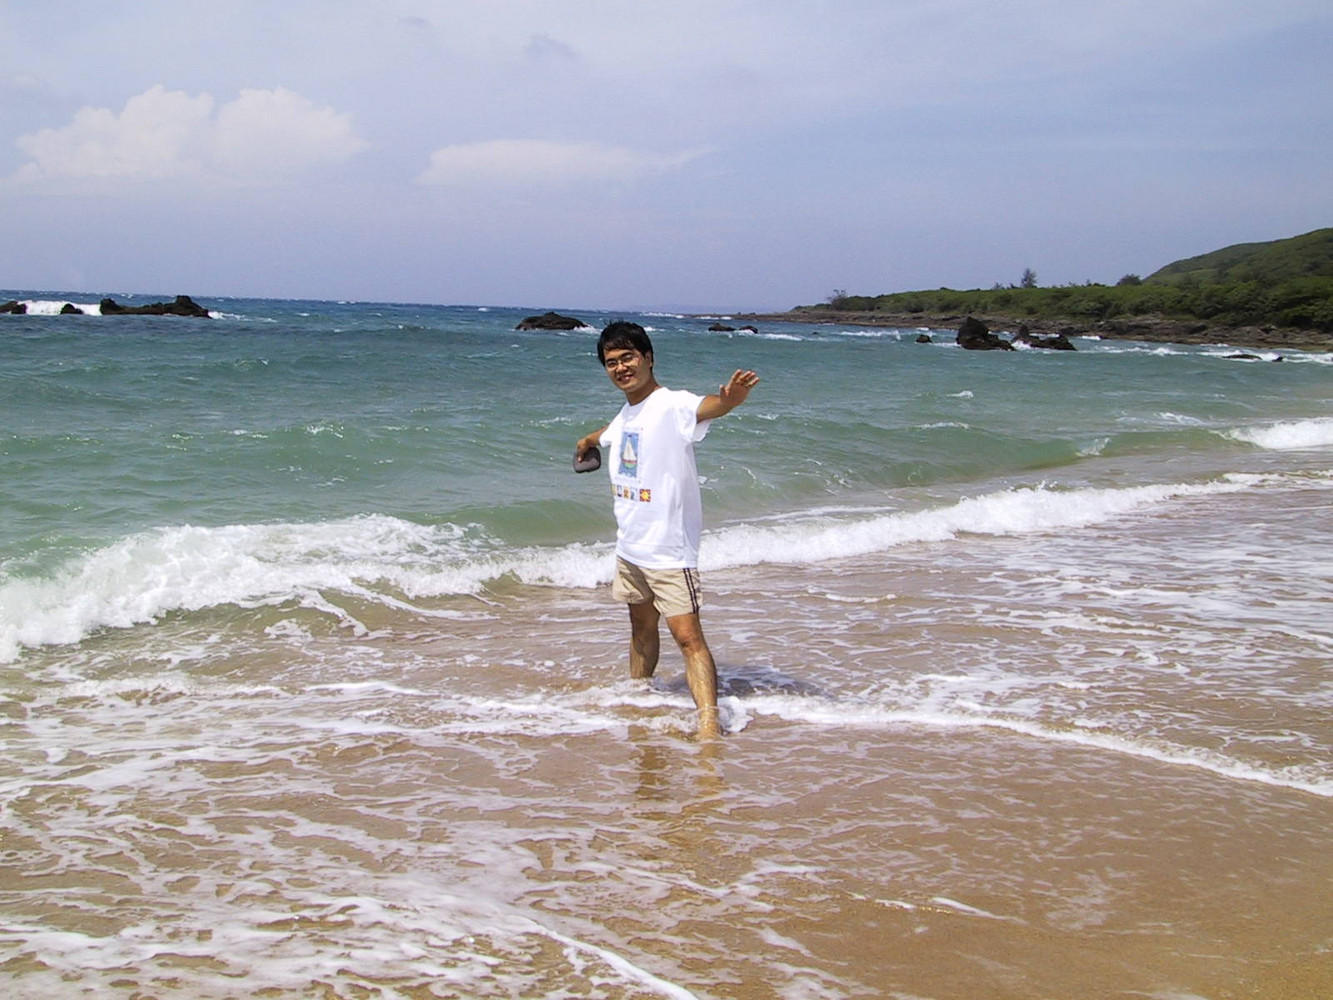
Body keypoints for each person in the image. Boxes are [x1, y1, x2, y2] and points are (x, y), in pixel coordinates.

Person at [575, 321, 759, 737]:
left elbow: (709, 407)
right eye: (611, 362)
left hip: (669, 553)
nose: (621, 367)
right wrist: (586, 441)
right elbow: (610, 434)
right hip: (630, 550)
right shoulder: (626, 414)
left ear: (648, 358)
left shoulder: (672, 404)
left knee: (688, 638)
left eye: (628, 357)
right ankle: (638, 700)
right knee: (640, 630)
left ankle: (709, 726)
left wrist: (731, 399)